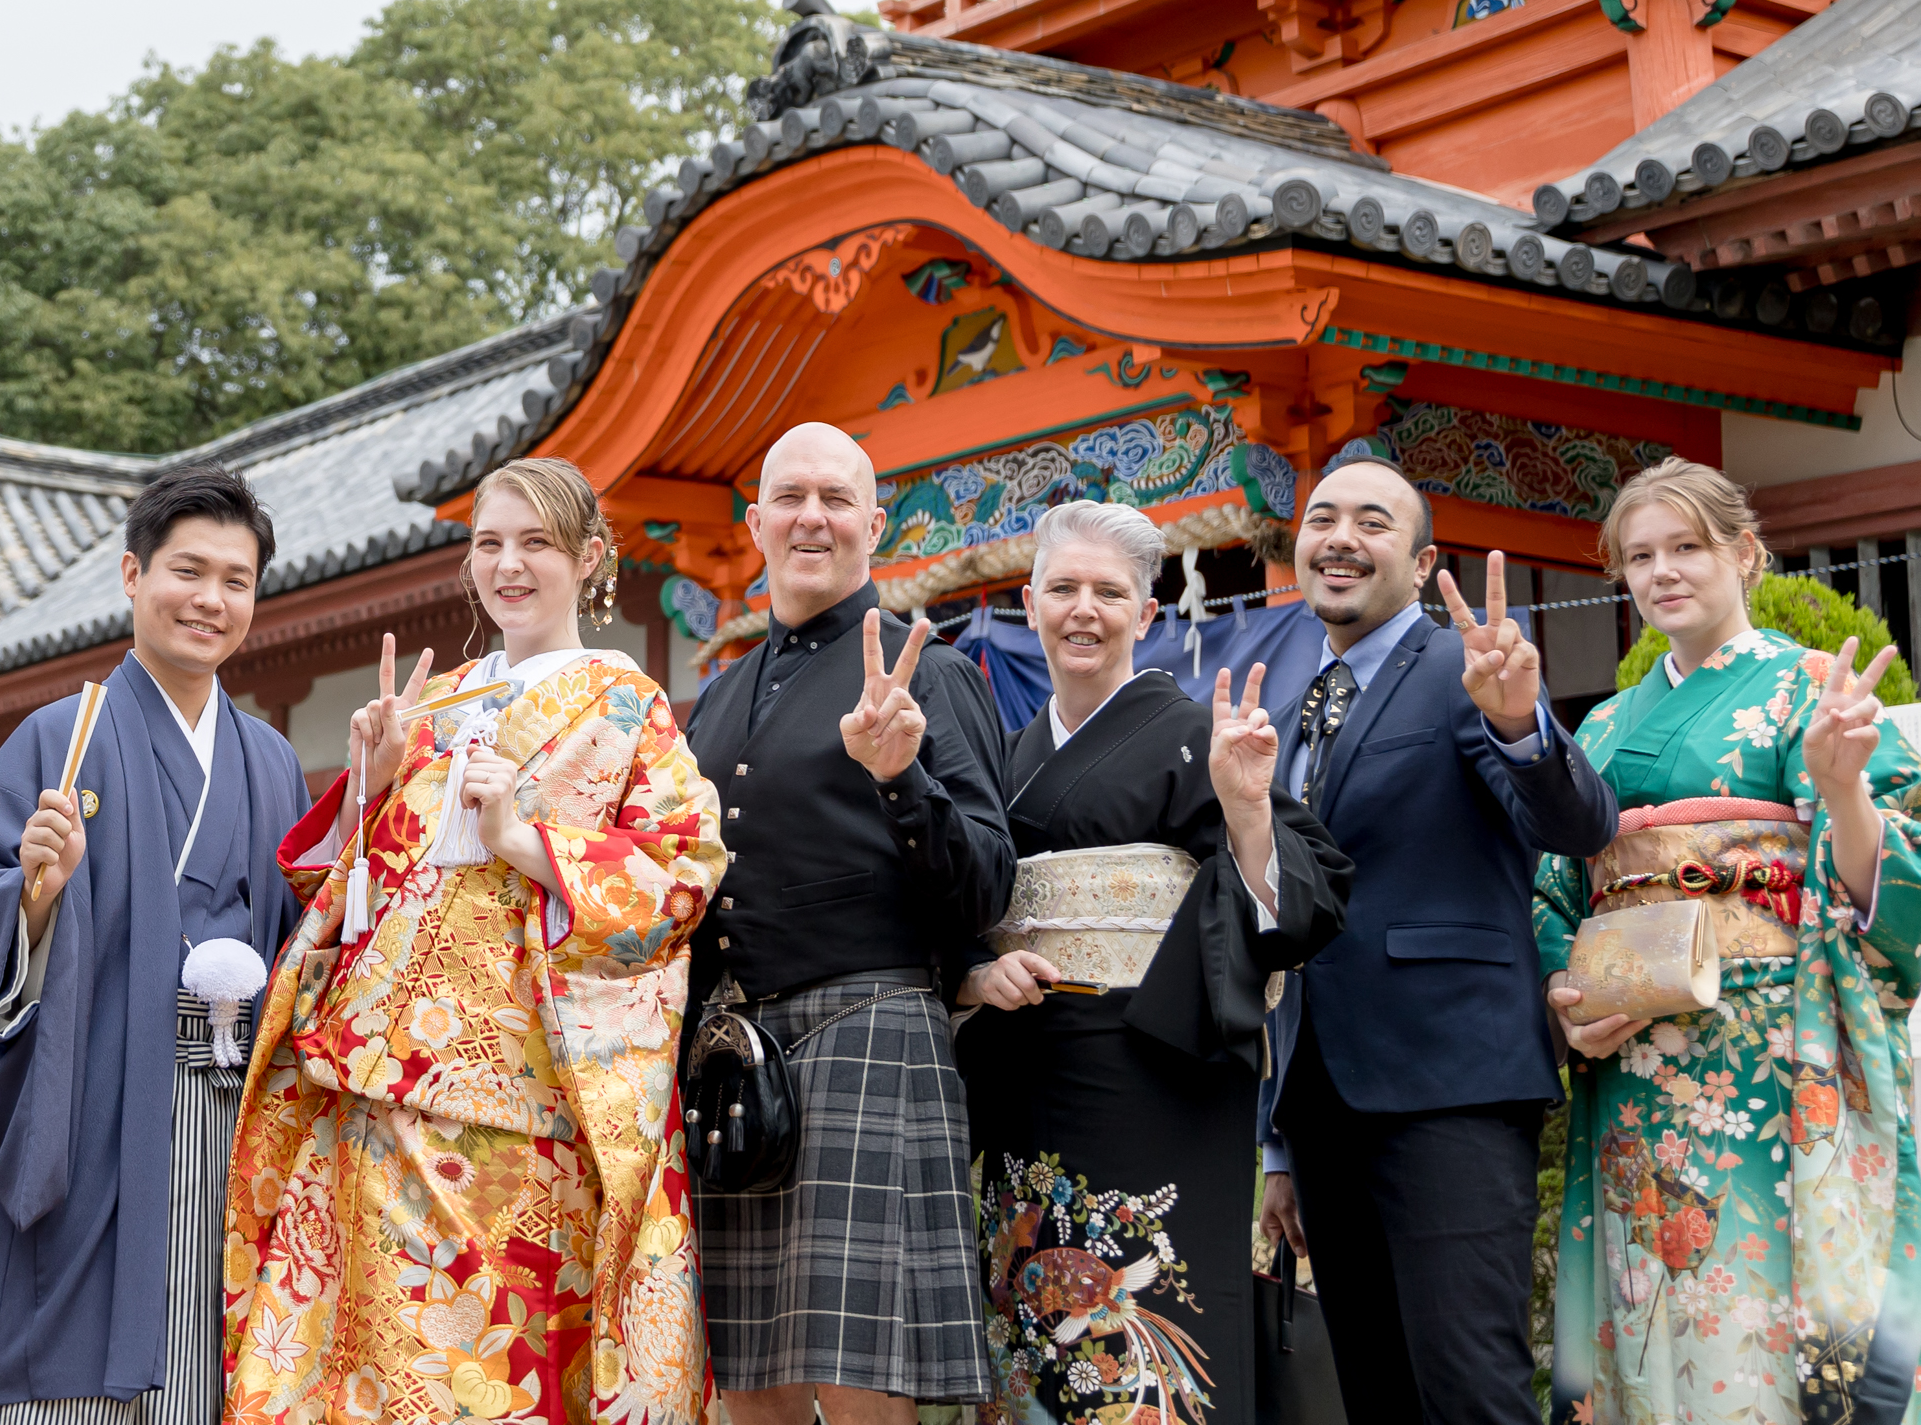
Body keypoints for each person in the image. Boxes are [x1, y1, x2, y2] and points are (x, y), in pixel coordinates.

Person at [222, 455, 729, 1423]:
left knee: (484, 1369)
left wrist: (522, 839)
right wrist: (369, 784)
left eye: (535, 543)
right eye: (488, 543)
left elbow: (681, 874)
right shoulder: (438, 701)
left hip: (518, 1093)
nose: (508, 565)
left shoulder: (626, 702)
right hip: (374, 1078)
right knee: (366, 1365)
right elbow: (347, 890)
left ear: (590, 557)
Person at [1535, 459, 1921, 1422]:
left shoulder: (1808, 688)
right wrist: (1569, 992)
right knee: (1646, 1307)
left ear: (1745, 552)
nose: (1662, 572)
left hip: (1765, 1058)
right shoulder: (1601, 724)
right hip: (1630, 1059)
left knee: (1758, 1311)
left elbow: (1915, 860)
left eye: (1686, 546)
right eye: (1640, 555)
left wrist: (1844, 790)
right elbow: (1554, 885)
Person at [956, 500, 1348, 1424]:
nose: (1083, 610)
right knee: (1031, 1340)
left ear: (1147, 610)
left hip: (1155, 1075)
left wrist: (1246, 812)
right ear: (1029, 603)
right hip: (1023, 1075)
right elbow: (960, 896)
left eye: (1109, 591)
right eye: (1063, 588)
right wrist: (974, 972)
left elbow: (1315, 888)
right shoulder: (1005, 757)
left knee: (1150, 1328)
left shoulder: (1189, 736)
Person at [0, 464, 307, 1425]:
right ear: (134, 575)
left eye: (236, 580)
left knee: (219, 1350)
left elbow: (308, 939)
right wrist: (35, 895)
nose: (211, 598)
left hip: (239, 1107)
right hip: (99, 1100)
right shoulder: (59, 735)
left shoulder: (269, 757)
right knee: (78, 1354)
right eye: (189, 570)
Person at [1252, 453, 1619, 1425]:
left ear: (1420, 565)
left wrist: (1520, 723)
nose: (1340, 538)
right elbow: (1285, 928)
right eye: (1322, 518)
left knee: (1469, 1391)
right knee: (1376, 1394)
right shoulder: (1287, 714)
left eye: (1372, 522)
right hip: (1321, 1100)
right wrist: (1277, 1142)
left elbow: (1578, 826)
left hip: (1450, 1086)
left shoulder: (1465, 674)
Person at [681, 420, 1015, 1425]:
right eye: (790, 498)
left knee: (862, 1375)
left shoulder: (931, 673)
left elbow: (986, 885)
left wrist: (901, 777)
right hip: (729, 1060)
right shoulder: (714, 699)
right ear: (755, 525)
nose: (811, 518)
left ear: (874, 525)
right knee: (748, 1375)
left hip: (868, 1030)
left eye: (836, 499)